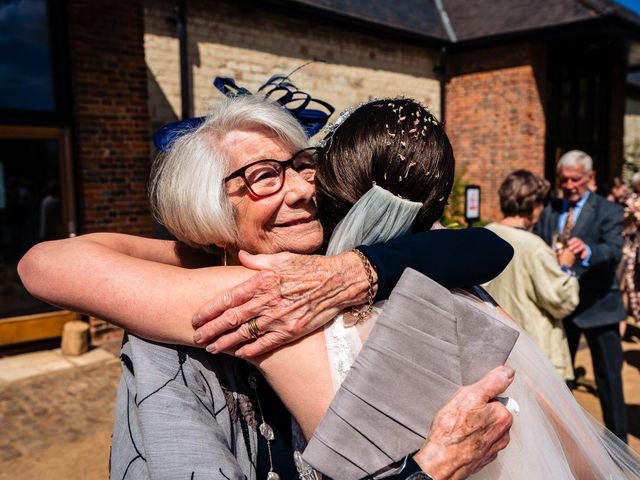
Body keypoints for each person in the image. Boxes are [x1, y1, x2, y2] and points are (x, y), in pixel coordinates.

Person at [19, 95, 515, 479]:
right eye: (263, 178)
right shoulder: (226, 295)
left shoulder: (341, 269)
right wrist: (201, 248)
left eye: (302, 166)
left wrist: (359, 269)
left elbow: (488, 247)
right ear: (209, 211)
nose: (301, 189)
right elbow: (45, 264)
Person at [533, 150, 628, 442]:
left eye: (575, 180)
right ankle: (566, 446)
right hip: (562, 312)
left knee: (609, 384)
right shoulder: (550, 209)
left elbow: (613, 250)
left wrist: (586, 251)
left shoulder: (609, 211)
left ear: (591, 178)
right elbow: (536, 240)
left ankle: (619, 452)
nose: (570, 186)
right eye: (564, 181)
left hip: (600, 309)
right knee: (559, 383)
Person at [484, 170, 579, 381]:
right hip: (534, 354)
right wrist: (565, 267)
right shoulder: (534, 247)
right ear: (533, 204)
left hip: (495, 349)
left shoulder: (486, 233)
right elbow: (561, 301)